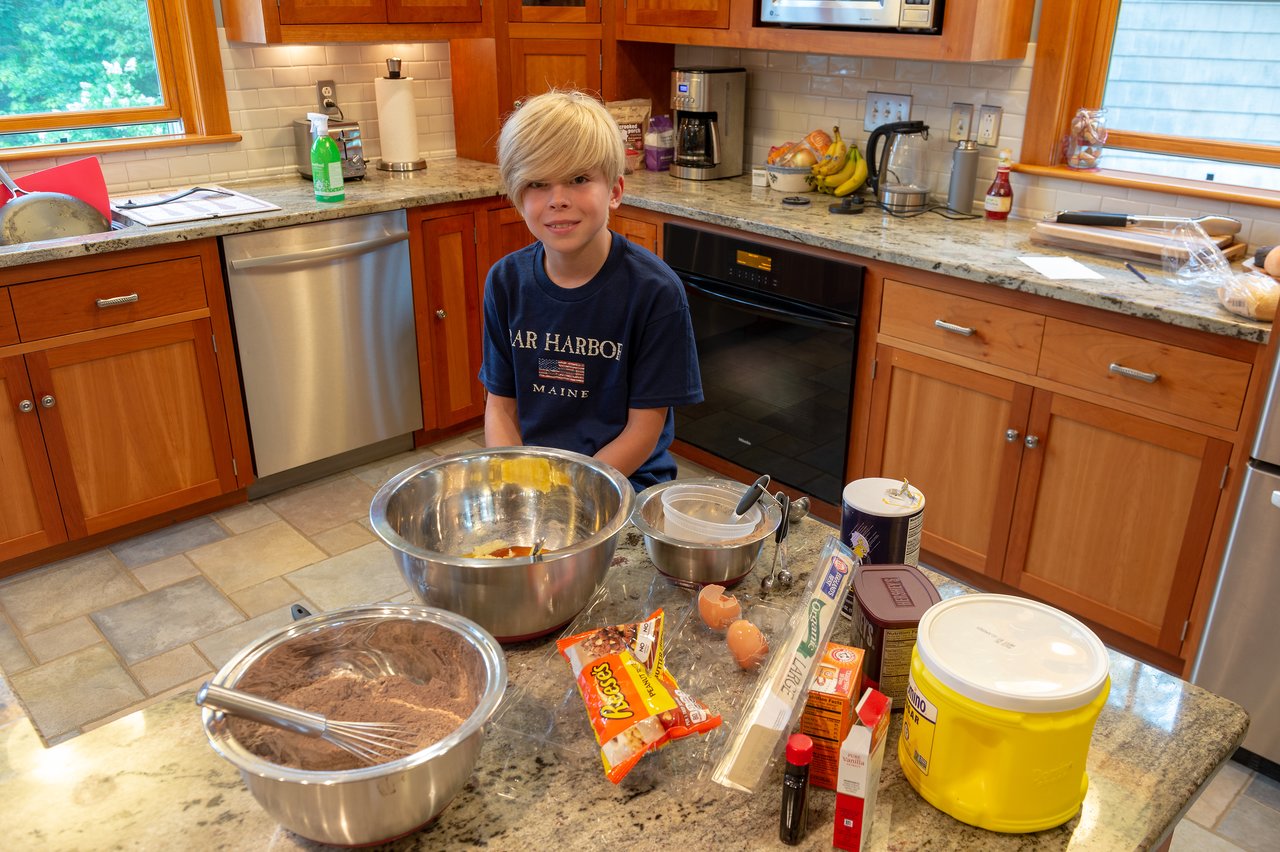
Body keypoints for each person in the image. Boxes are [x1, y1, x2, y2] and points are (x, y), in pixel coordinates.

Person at [479, 89, 703, 491]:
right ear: (517, 197)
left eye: (579, 179)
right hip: (536, 481)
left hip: (625, 483)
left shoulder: (655, 294)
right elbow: (500, 407)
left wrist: (569, 491)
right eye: (537, 183)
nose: (558, 200)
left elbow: (643, 430)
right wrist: (514, 481)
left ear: (615, 190)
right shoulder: (504, 283)